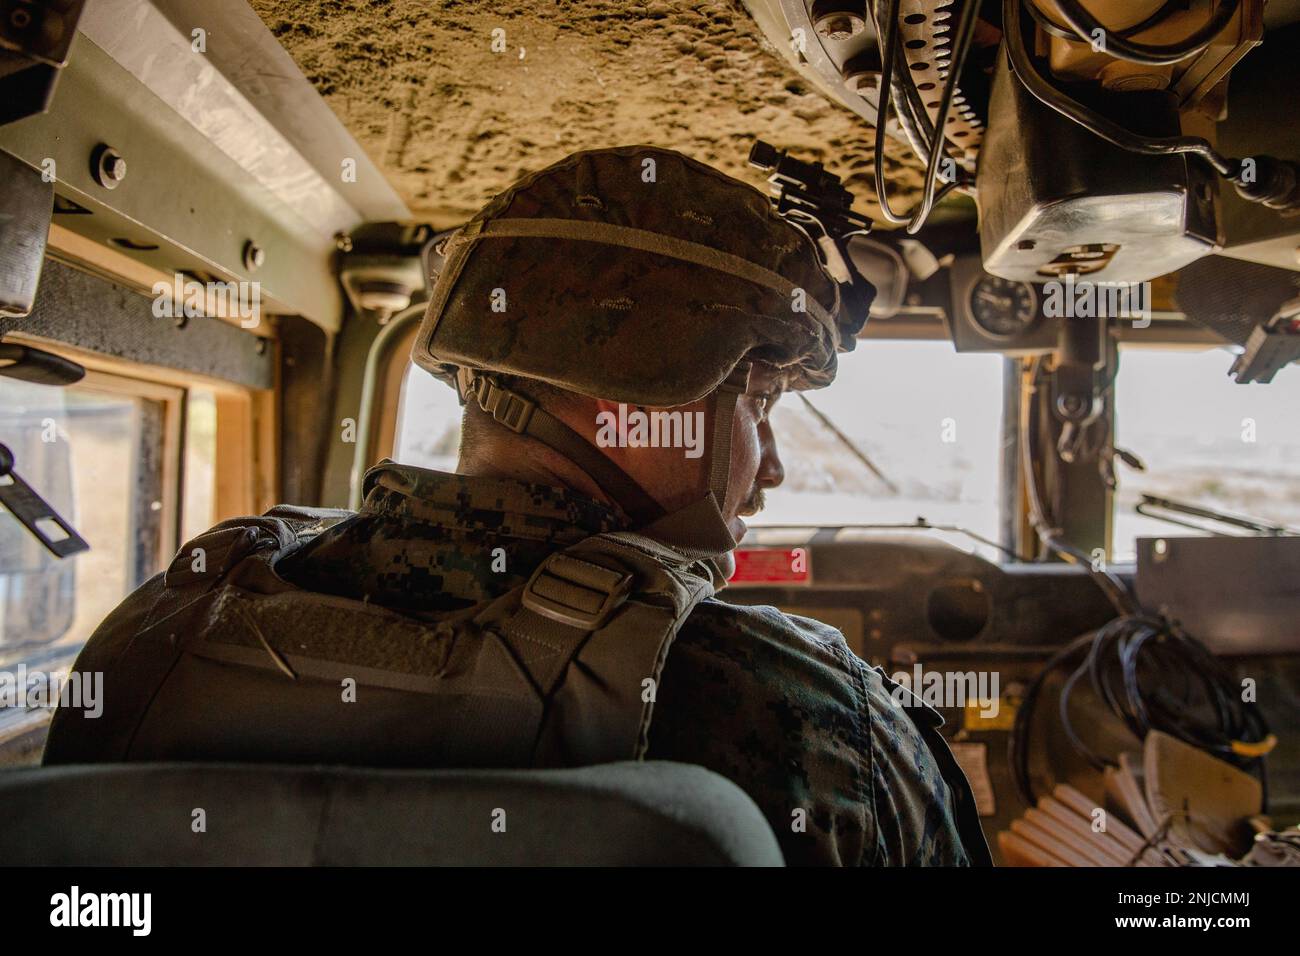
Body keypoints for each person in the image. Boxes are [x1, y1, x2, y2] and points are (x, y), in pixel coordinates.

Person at [44, 145, 990, 866]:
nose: (772, 469)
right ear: (646, 405)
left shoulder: (156, 632)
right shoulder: (802, 707)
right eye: (760, 407)